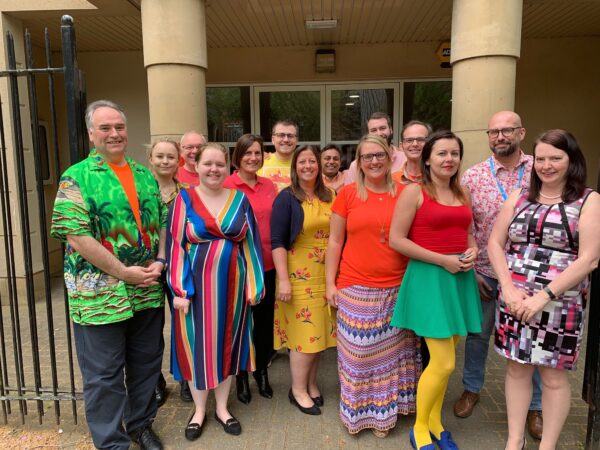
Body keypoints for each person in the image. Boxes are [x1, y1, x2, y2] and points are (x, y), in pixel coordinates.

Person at [50, 100, 166, 450]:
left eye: (119, 127)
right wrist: (123, 273)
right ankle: (111, 442)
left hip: (145, 289)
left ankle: (140, 425)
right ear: (91, 134)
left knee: (146, 364)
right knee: (104, 376)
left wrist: (160, 262)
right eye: (105, 128)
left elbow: (161, 221)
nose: (114, 134)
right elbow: (75, 235)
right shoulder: (76, 176)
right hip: (99, 295)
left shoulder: (144, 174)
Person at [487, 129, 600, 450]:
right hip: (515, 300)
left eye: (556, 158)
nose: (547, 165)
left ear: (572, 160)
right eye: (541, 158)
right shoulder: (520, 196)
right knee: (516, 369)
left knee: (552, 377)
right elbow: (495, 243)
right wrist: (508, 289)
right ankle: (514, 439)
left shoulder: (589, 201)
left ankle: (547, 445)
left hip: (559, 305)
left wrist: (543, 297)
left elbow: (590, 258)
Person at [389, 130, 483, 450]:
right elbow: (397, 240)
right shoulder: (414, 192)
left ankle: (436, 423)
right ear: (427, 158)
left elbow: (467, 233)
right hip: (430, 279)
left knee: (442, 361)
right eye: (441, 153)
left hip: (459, 279)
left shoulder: (463, 193)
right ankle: (418, 429)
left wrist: (472, 250)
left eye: (454, 153)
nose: (449, 159)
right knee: (443, 363)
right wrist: (443, 260)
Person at [166, 142, 265, 441]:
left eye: (219, 164)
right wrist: (180, 288)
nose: (213, 169)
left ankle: (222, 408)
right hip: (194, 292)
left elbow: (252, 243)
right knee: (197, 348)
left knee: (228, 347)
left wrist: (255, 285)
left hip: (233, 289)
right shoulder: (184, 199)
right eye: (207, 163)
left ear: (228, 167)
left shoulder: (239, 200)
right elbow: (176, 246)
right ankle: (199, 410)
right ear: (195, 166)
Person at [455, 111, 543, 441]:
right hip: (485, 274)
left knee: (528, 343)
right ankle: (471, 389)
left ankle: (535, 407)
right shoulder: (473, 176)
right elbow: (468, 226)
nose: (500, 137)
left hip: (529, 277)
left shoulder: (540, 169)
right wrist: (472, 270)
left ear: (521, 132)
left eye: (507, 130)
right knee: (477, 336)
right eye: (494, 132)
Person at [325, 135, 421, 438]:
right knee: (357, 355)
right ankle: (358, 415)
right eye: (367, 157)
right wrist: (330, 283)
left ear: (391, 157)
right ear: (358, 163)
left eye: (379, 155)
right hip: (355, 285)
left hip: (398, 286)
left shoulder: (408, 193)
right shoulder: (348, 194)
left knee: (393, 357)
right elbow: (335, 241)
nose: (374, 162)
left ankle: (385, 415)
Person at [271, 145, 337, 416]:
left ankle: (310, 383)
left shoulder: (330, 195)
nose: (308, 166)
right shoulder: (286, 198)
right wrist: (283, 280)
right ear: (295, 167)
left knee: (319, 332)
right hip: (298, 275)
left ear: (319, 165)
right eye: (302, 162)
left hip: (326, 274)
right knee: (304, 336)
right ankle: (297, 389)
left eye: (312, 161)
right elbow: (277, 242)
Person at [223, 134, 278, 404]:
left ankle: (262, 373)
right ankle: (242, 375)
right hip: (238, 267)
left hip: (267, 265)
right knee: (241, 324)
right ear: (238, 156)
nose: (253, 158)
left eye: (258, 153)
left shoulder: (270, 186)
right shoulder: (226, 185)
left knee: (265, 324)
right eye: (248, 153)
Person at [147, 138, 189, 407]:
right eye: (159, 156)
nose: (165, 161)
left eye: (170, 157)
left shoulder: (187, 193)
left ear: (179, 161)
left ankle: (186, 377)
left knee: (183, 324)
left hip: (179, 267)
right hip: (148, 269)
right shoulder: (141, 190)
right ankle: (154, 382)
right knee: (151, 329)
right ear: (150, 159)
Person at [344, 112, 406, 185]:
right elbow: (349, 194)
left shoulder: (405, 159)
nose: (379, 134)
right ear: (368, 134)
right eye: (373, 130)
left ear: (391, 130)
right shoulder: (356, 166)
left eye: (382, 128)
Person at [258, 119, 299, 192]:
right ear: (273, 139)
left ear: (296, 140)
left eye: (290, 136)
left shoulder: (305, 164)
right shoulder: (260, 162)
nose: (286, 140)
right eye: (281, 135)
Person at [393, 120, 432, 186]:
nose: (415, 144)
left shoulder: (439, 179)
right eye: (409, 140)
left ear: (430, 144)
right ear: (401, 146)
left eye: (420, 139)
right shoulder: (391, 181)